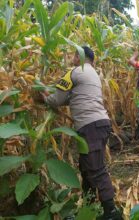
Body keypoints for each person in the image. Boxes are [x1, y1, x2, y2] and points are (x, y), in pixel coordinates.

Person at [42, 46, 122, 220]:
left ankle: (111, 213)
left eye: (74, 54)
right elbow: (75, 98)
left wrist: (43, 95)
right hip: (100, 123)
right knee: (86, 168)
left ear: (79, 57)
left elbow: (57, 100)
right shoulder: (93, 73)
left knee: (95, 168)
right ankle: (89, 206)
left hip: (89, 126)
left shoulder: (74, 72)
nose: (72, 57)